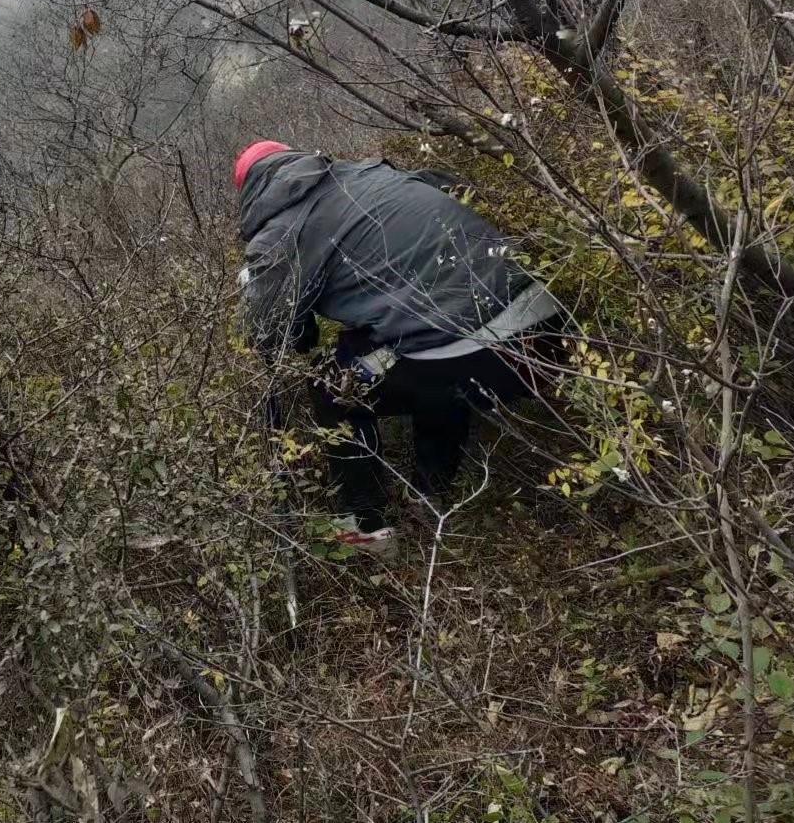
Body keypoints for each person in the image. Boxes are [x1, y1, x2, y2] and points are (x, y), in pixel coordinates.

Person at [235, 139, 564, 551]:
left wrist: (259, 288)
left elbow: (271, 335)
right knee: (408, 347)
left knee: (332, 385)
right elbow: (457, 197)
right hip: (550, 335)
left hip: (474, 356)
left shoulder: (282, 232)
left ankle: (365, 529)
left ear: (251, 193)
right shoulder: (376, 172)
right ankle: (428, 493)